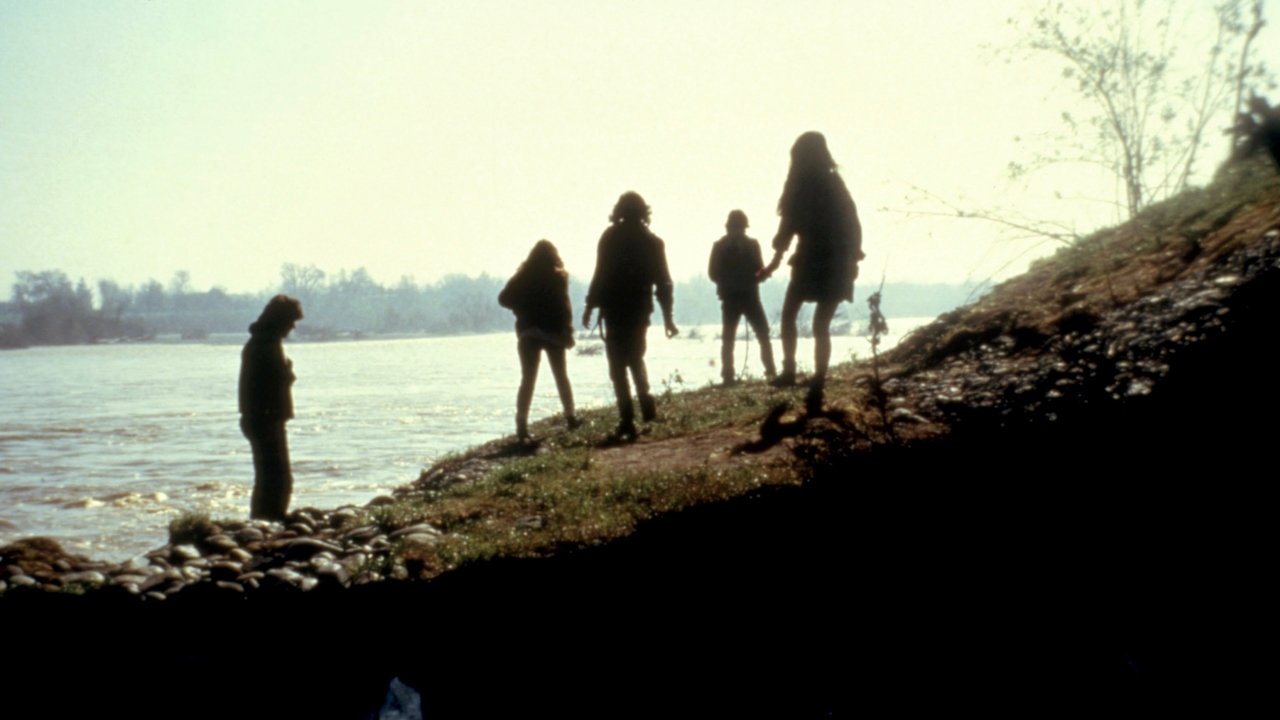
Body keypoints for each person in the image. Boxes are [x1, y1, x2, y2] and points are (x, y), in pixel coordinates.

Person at [760, 131, 864, 411]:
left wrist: (775, 256)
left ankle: (791, 372)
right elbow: (853, 222)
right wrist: (853, 258)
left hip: (812, 260)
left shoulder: (800, 188)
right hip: (836, 262)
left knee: (790, 316)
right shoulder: (835, 185)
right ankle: (818, 378)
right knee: (820, 326)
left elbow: (788, 228)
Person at [583, 191, 679, 440]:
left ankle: (627, 419)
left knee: (617, 366)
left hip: (614, 309)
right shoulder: (652, 242)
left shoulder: (610, 237)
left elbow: (600, 273)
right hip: (639, 309)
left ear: (619, 212)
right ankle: (647, 408)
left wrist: (590, 305)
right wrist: (668, 317)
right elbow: (664, 283)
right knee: (636, 358)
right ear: (644, 212)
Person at [498, 239, 580, 442]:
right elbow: (564, 306)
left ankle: (522, 426)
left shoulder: (523, 276)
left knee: (528, 380)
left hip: (528, 333)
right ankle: (570, 417)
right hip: (553, 333)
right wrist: (568, 332)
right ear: (554, 256)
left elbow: (503, 299)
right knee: (561, 376)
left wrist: (521, 308)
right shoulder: (558, 277)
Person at [239, 294, 303, 521]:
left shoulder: (261, 342)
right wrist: (288, 373)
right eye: (291, 322)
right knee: (277, 477)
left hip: (261, 418)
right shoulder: (266, 345)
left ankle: (264, 519)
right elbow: (273, 382)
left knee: (269, 476)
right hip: (266, 419)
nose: (292, 327)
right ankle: (268, 520)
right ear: (281, 320)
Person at [708, 209, 776, 384]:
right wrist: (759, 276)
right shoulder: (750, 245)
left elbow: (713, 273)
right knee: (757, 335)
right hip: (744, 297)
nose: (738, 231)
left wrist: (727, 283)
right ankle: (768, 372)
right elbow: (713, 273)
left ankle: (731, 376)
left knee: (738, 337)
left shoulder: (721, 246)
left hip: (739, 297)